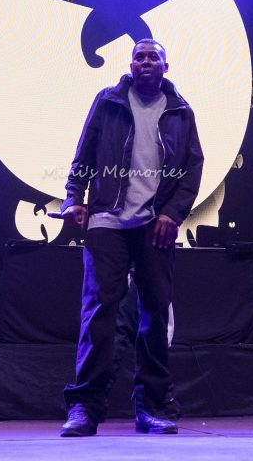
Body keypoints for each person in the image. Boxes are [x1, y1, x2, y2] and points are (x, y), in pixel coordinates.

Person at [50, 38, 203, 436]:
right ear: (131, 65)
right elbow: (85, 154)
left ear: (166, 66)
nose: (145, 62)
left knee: (154, 314)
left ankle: (151, 407)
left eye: (153, 57)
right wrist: (74, 197)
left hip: (155, 224)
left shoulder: (181, 111)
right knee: (99, 312)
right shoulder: (108, 101)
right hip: (107, 219)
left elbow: (191, 169)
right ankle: (84, 407)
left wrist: (172, 213)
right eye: (139, 57)